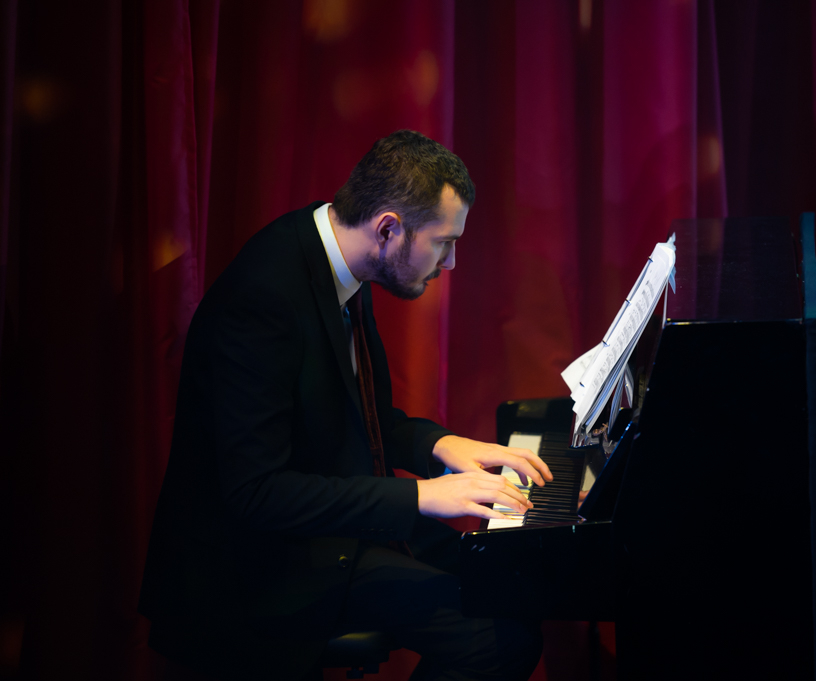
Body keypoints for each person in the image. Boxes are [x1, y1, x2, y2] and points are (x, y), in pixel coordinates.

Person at [139, 130, 552, 681]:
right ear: (388, 228)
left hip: (325, 527)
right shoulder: (264, 298)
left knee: (512, 585)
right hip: (260, 564)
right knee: (497, 638)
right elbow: (256, 492)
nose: (449, 263)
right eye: (443, 243)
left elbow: (365, 418)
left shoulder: (344, 259)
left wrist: (442, 445)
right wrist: (422, 495)